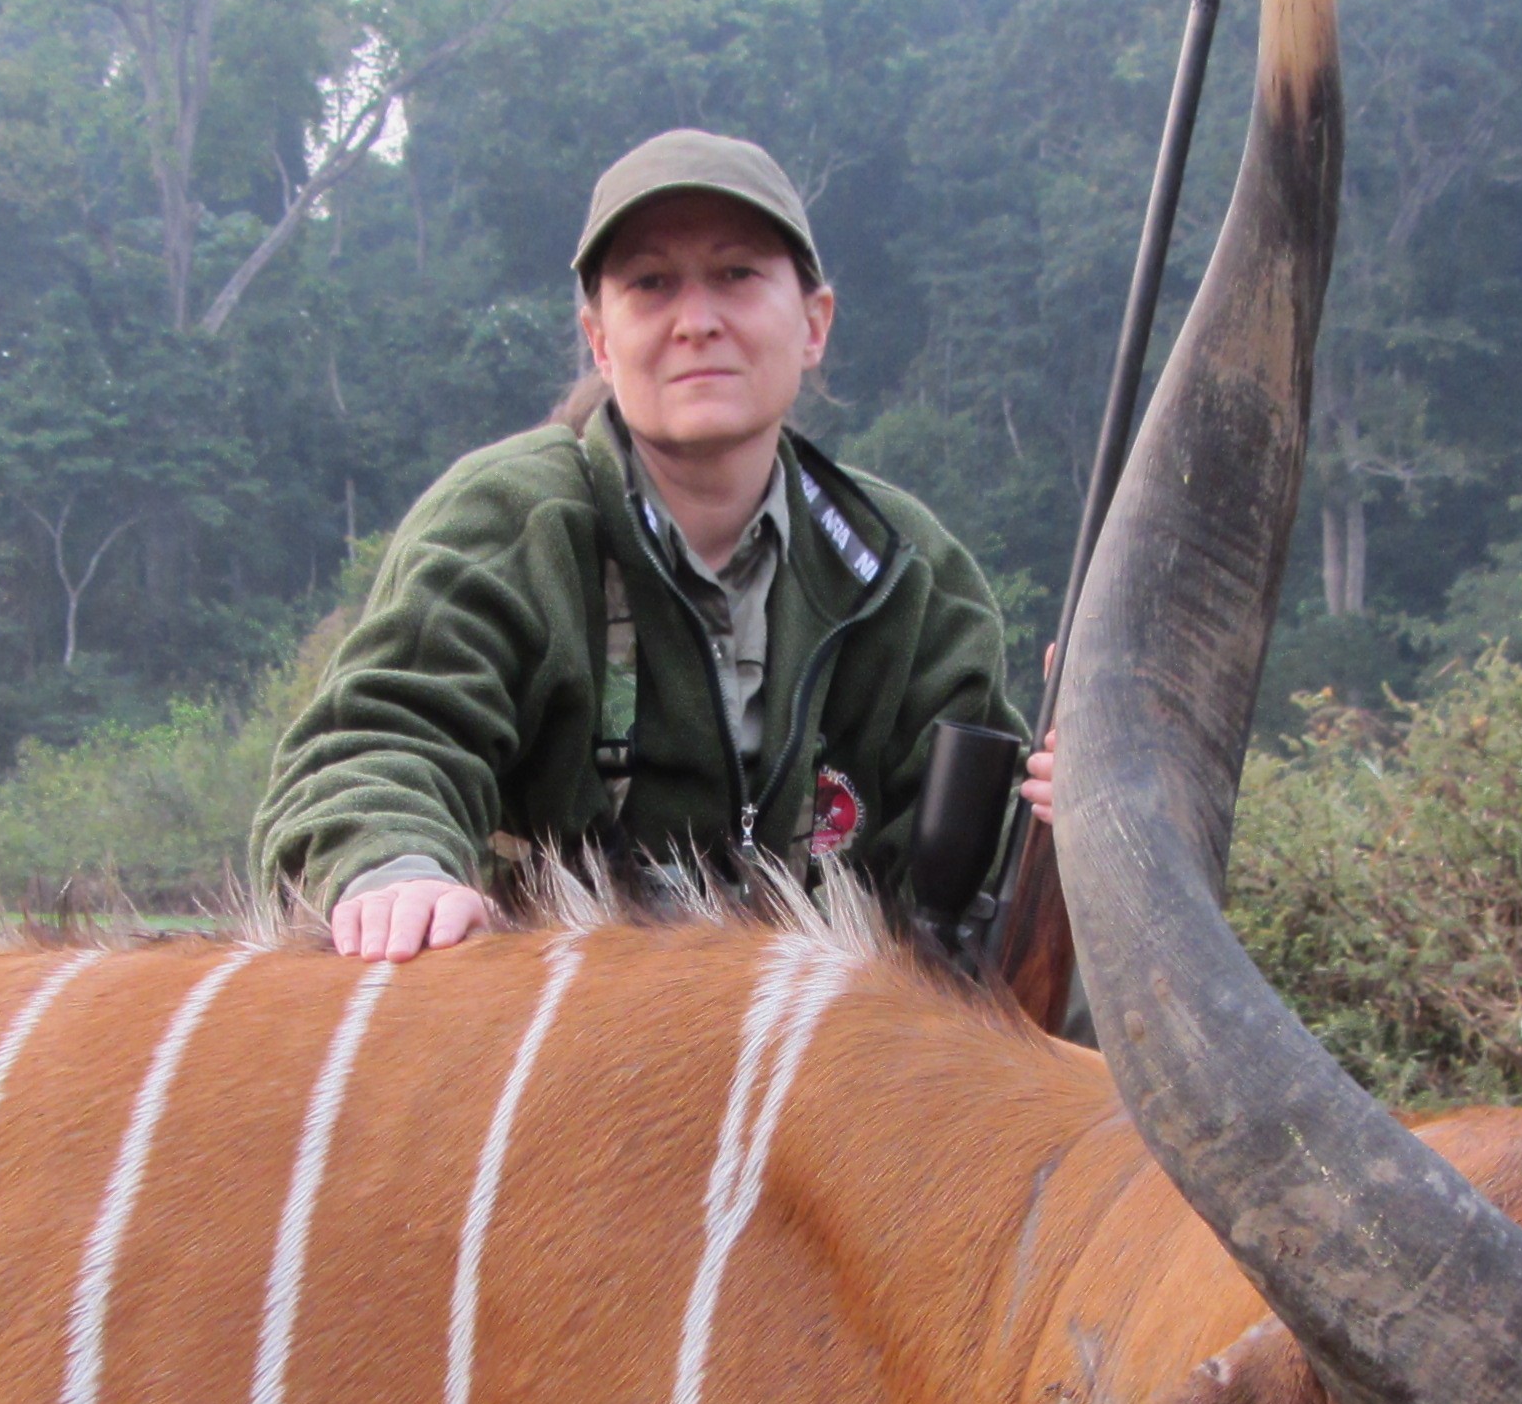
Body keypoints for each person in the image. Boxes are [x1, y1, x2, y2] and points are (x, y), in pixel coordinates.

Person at [255, 129, 1049, 958]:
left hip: (819, 1068)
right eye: (651, 283)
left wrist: (1074, 827)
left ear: (815, 323)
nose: (696, 322)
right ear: (600, 338)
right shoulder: (510, 520)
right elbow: (378, 741)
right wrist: (397, 871)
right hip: (554, 1055)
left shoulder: (906, 571)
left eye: (737, 274)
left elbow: (984, 883)